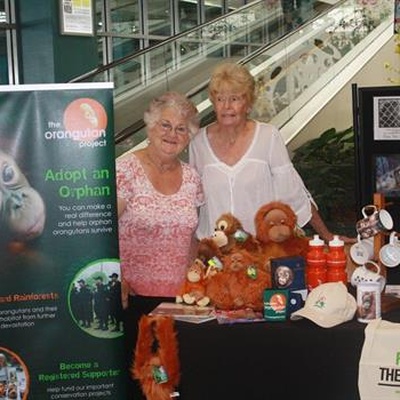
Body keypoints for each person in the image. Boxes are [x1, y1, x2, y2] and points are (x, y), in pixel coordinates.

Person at [189, 62, 355, 244]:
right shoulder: (198, 143)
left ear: (248, 104)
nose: (227, 106)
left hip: (262, 251)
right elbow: (192, 205)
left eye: (235, 99)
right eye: (220, 99)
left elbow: (293, 192)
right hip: (216, 253)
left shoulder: (268, 136)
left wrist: (327, 236)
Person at [116, 91, 203, 399]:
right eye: (165, 125)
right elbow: (102, 230)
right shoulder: (124, 170)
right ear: (150, 126)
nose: (172, 134)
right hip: (133, 302)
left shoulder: (192, 178)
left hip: (179, 305)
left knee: (173, 386)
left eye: (181, 129)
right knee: (140, 387)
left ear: (188, 137)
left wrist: (196, 282)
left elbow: (191, 236)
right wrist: (115, 276)